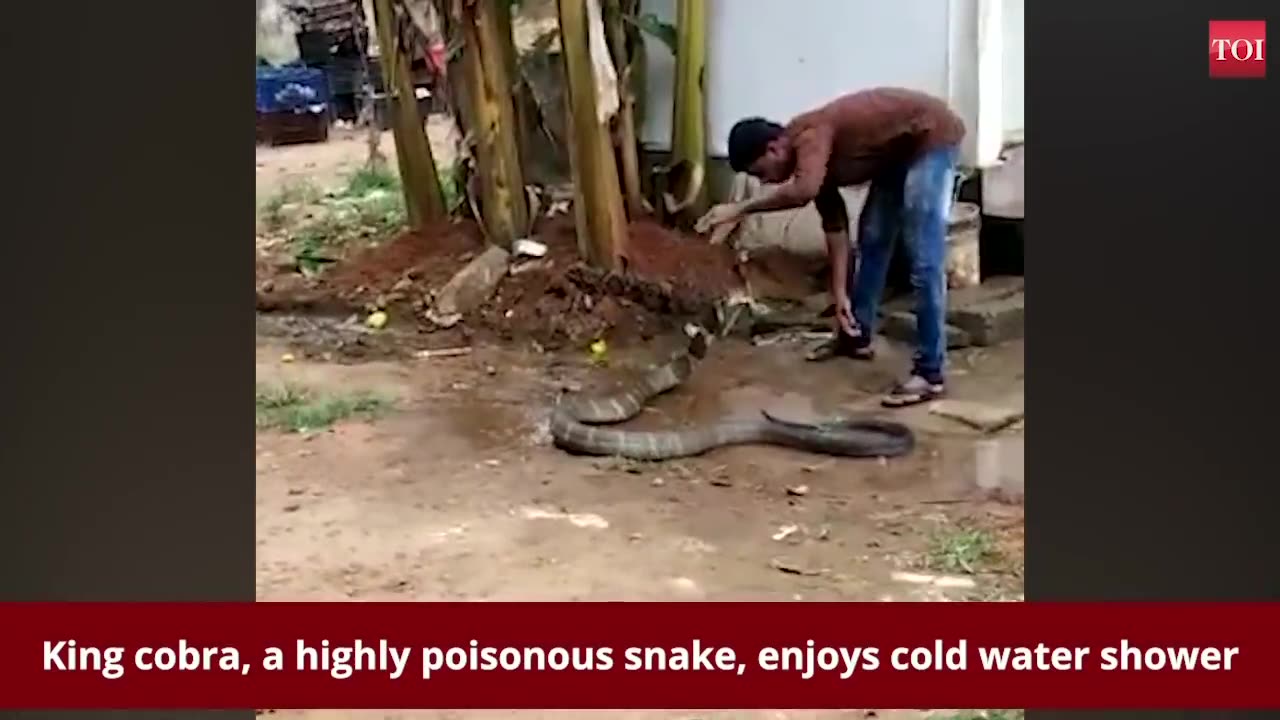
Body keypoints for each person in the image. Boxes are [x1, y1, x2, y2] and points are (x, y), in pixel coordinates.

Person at [695, 87, 965, 408]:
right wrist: (839, 295)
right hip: (897, 155)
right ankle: (856, 335)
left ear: (775, 147)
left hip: (931, 137)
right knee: (873, 239)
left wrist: (739, 209)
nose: (766, 183)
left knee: (923, 257)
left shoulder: (809, 136)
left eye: (761, 172)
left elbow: (803, 191)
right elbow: (836, 230)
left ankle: (930, 373)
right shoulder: (811, 164)